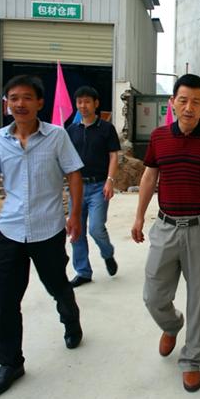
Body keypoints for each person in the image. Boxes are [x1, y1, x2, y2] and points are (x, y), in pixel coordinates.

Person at [0, 75, 84, 398]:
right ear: (6, 104)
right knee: (6, 301)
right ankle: (10, 364)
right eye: (13, 98)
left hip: (48, 230)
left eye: (26, 97)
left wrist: (74, 215)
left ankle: (70, 317)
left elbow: (73, 174)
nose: (19, 104)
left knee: (57, 286)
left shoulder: (56, 136)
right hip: (10, 231)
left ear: (40, 103)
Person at [131, 74, 200, 392]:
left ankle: (192, 360)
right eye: (183, 100)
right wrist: (139, 217)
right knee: (153, 295)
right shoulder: (159, 137)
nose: (189, 107)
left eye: (196, 102)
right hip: (165, 226)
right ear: (172, 102)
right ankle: (172, 324)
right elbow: (150, 177)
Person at [66, 86, 121, 287]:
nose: (83, 106)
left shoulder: (106, 128)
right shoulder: (71, 130)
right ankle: (83, 272)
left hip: (99, 187)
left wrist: (110, 180)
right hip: (76, 188)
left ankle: (107, 253)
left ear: (96, 104)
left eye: (87, 101)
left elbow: (113, 156)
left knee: (96, 228)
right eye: (79, 102)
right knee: (76, 232)